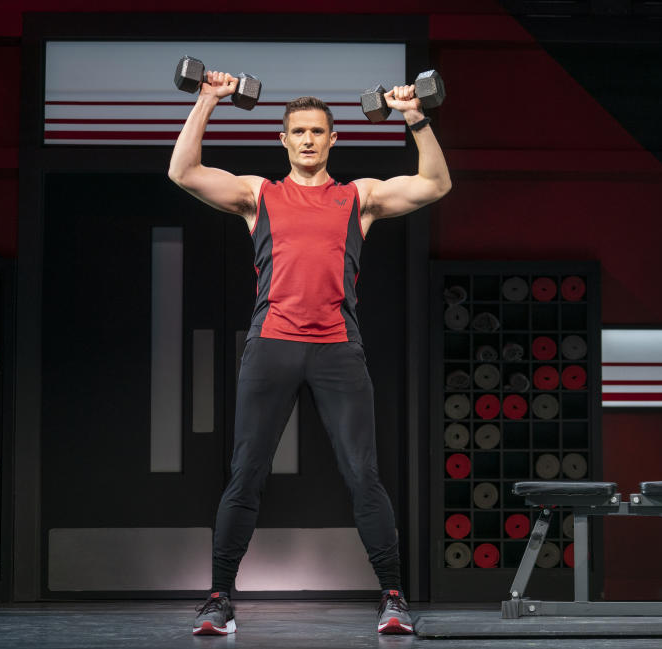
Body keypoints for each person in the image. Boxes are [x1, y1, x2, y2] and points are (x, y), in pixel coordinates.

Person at [168, 70, 451, 636]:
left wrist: (413, 116)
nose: (307, 140)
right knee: (245, 473)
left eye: (317, 132)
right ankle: (219, 599)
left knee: (362, 474)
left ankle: (393, 598)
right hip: (271, 346)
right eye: (298, 131)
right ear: (283, 139)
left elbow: (435, 184)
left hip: (337, 350)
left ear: (332, 140)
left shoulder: (360, 198)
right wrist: (207, 99)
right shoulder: (259, 195)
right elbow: (183, 172)